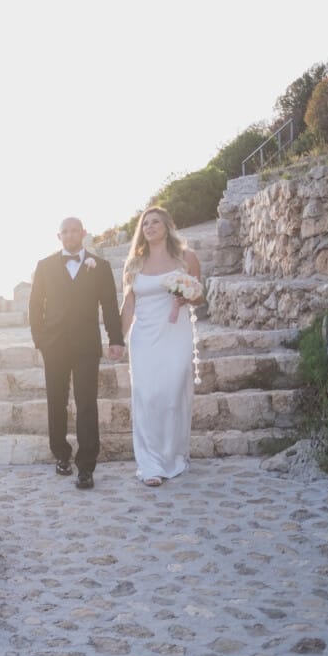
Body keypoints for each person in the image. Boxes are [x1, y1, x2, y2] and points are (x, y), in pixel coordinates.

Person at [28, 217, 125, 490]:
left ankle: (86, 467)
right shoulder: (44, 266)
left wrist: (115, 339)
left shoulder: (100, 266)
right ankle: (61, 455)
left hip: (86, 345)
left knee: (86, 404)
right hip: (54, 345)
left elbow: (108, 304)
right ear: (59, 236)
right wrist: (41, 341)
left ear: (83, 233)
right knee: (56, 402)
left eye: (75, 230)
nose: (70, 235)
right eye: (65, 231)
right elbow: (35, 307)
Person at [118, 206, 203, 487]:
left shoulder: (186, 257)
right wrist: (118, 340)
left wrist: (185, 297)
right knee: (148, 396)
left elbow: (199, 297)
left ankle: (173, 456)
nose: (150, 227)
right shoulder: (134, 264)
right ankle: (150, 463)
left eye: (155, 222)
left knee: (172, 393)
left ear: (167, 225)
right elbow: (129, 305)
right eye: (145, 224)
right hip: (144, 337)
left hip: (175, 332)